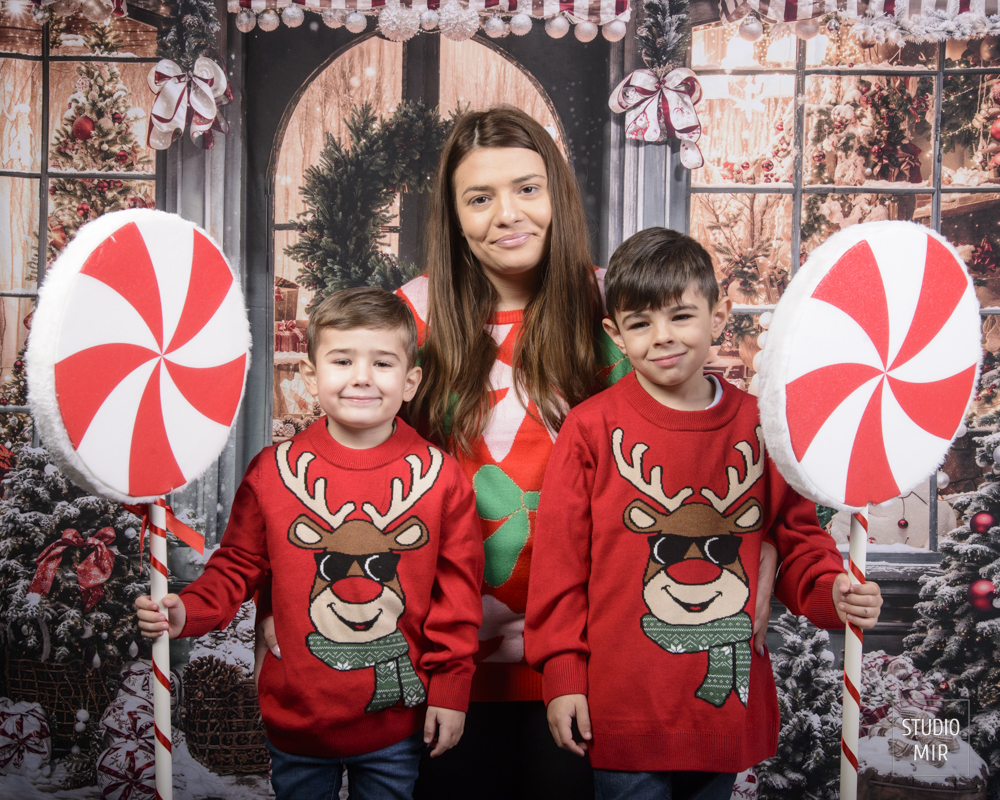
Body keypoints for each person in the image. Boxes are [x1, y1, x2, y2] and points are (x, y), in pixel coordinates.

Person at [259, 107, 777, 799]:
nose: (508, 213)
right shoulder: (407, 317)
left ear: (556, 194)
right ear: (453, 213)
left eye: (527, 188)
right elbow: (341, 463)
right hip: (443, 667)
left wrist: (764, 549)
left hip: (592, 664)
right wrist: (277, 590)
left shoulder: (619, 310)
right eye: (480, 197)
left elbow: (698, 450)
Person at [524, 228, 884, 800]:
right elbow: (559, 568)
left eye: (681, 316)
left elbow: (796, 542)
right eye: (640, 323)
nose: (662, 338)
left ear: (720, 316)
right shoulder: (590, 429)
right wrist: (562, 673)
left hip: (724, 700)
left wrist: (830, 592)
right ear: (615, 335)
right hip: (622, 704)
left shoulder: (763, 426)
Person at [135, 287, 484, 800]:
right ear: (310, 376)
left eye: (382, 363)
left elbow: (457, 599)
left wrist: (451, 689)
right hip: (296, 719)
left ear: (411, 382)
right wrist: (187, 612)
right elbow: (237, 564)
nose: (362, 377)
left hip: (396, 722)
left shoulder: (440, 477)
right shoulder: (272, 473)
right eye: (342, 360)